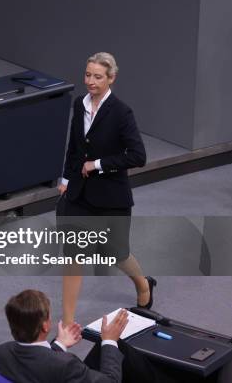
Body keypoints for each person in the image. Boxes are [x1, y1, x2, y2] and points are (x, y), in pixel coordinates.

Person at [57, 52, 152, 327]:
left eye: (97, 76)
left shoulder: (122, 113)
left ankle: (143, 285)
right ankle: (68, 323)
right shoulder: (79, 104)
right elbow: (74, 147)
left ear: (111, 78)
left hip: (111, 197)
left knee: (117, 254)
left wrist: (97, 164)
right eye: (88, 75)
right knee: (72, 255)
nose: (90, 81)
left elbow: (138, 156)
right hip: (78, 194)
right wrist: (65, 179)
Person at [0, 289, 232, 383]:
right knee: (113, 348)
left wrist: (59, 344)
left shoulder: (2, 352)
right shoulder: (65, 366)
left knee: (110, 350)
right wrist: (109, 339)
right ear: (46, 325)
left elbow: (38, 367)